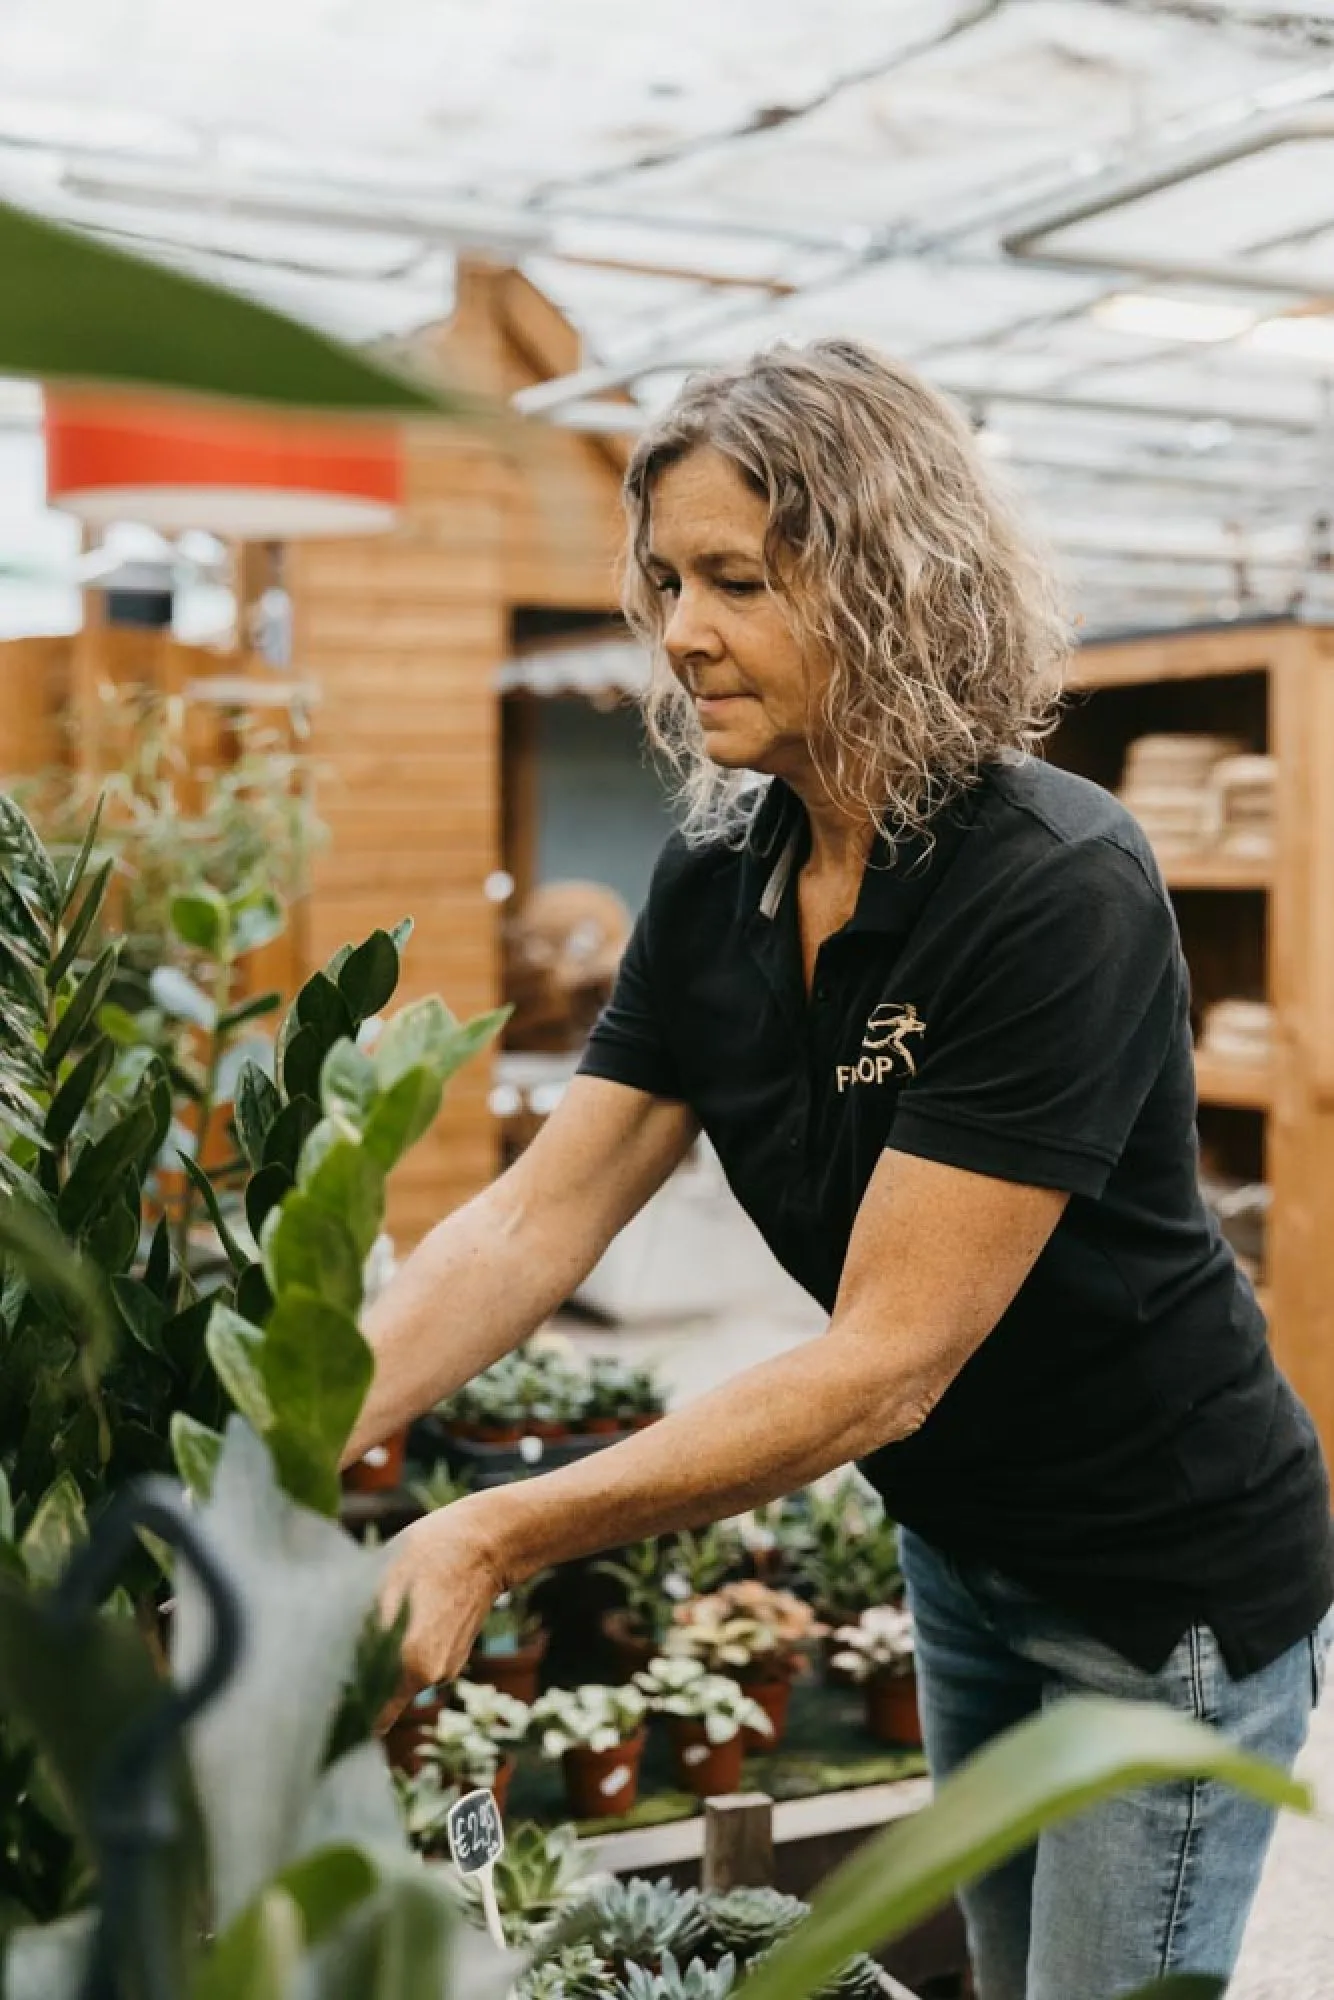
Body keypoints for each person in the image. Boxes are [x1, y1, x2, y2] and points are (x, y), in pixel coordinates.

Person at [347, 339, 1333, 2000]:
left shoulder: (1051, 887)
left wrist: (489, 1536)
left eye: (736, 578)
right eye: (664, 578)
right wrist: (298, 1430)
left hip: (1153, 1582)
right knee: (1002, 1976)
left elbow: (885, 1359)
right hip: (959, 1547)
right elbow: (534, 1215)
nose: (679, 631)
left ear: (889, 581)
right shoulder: (721, 870)